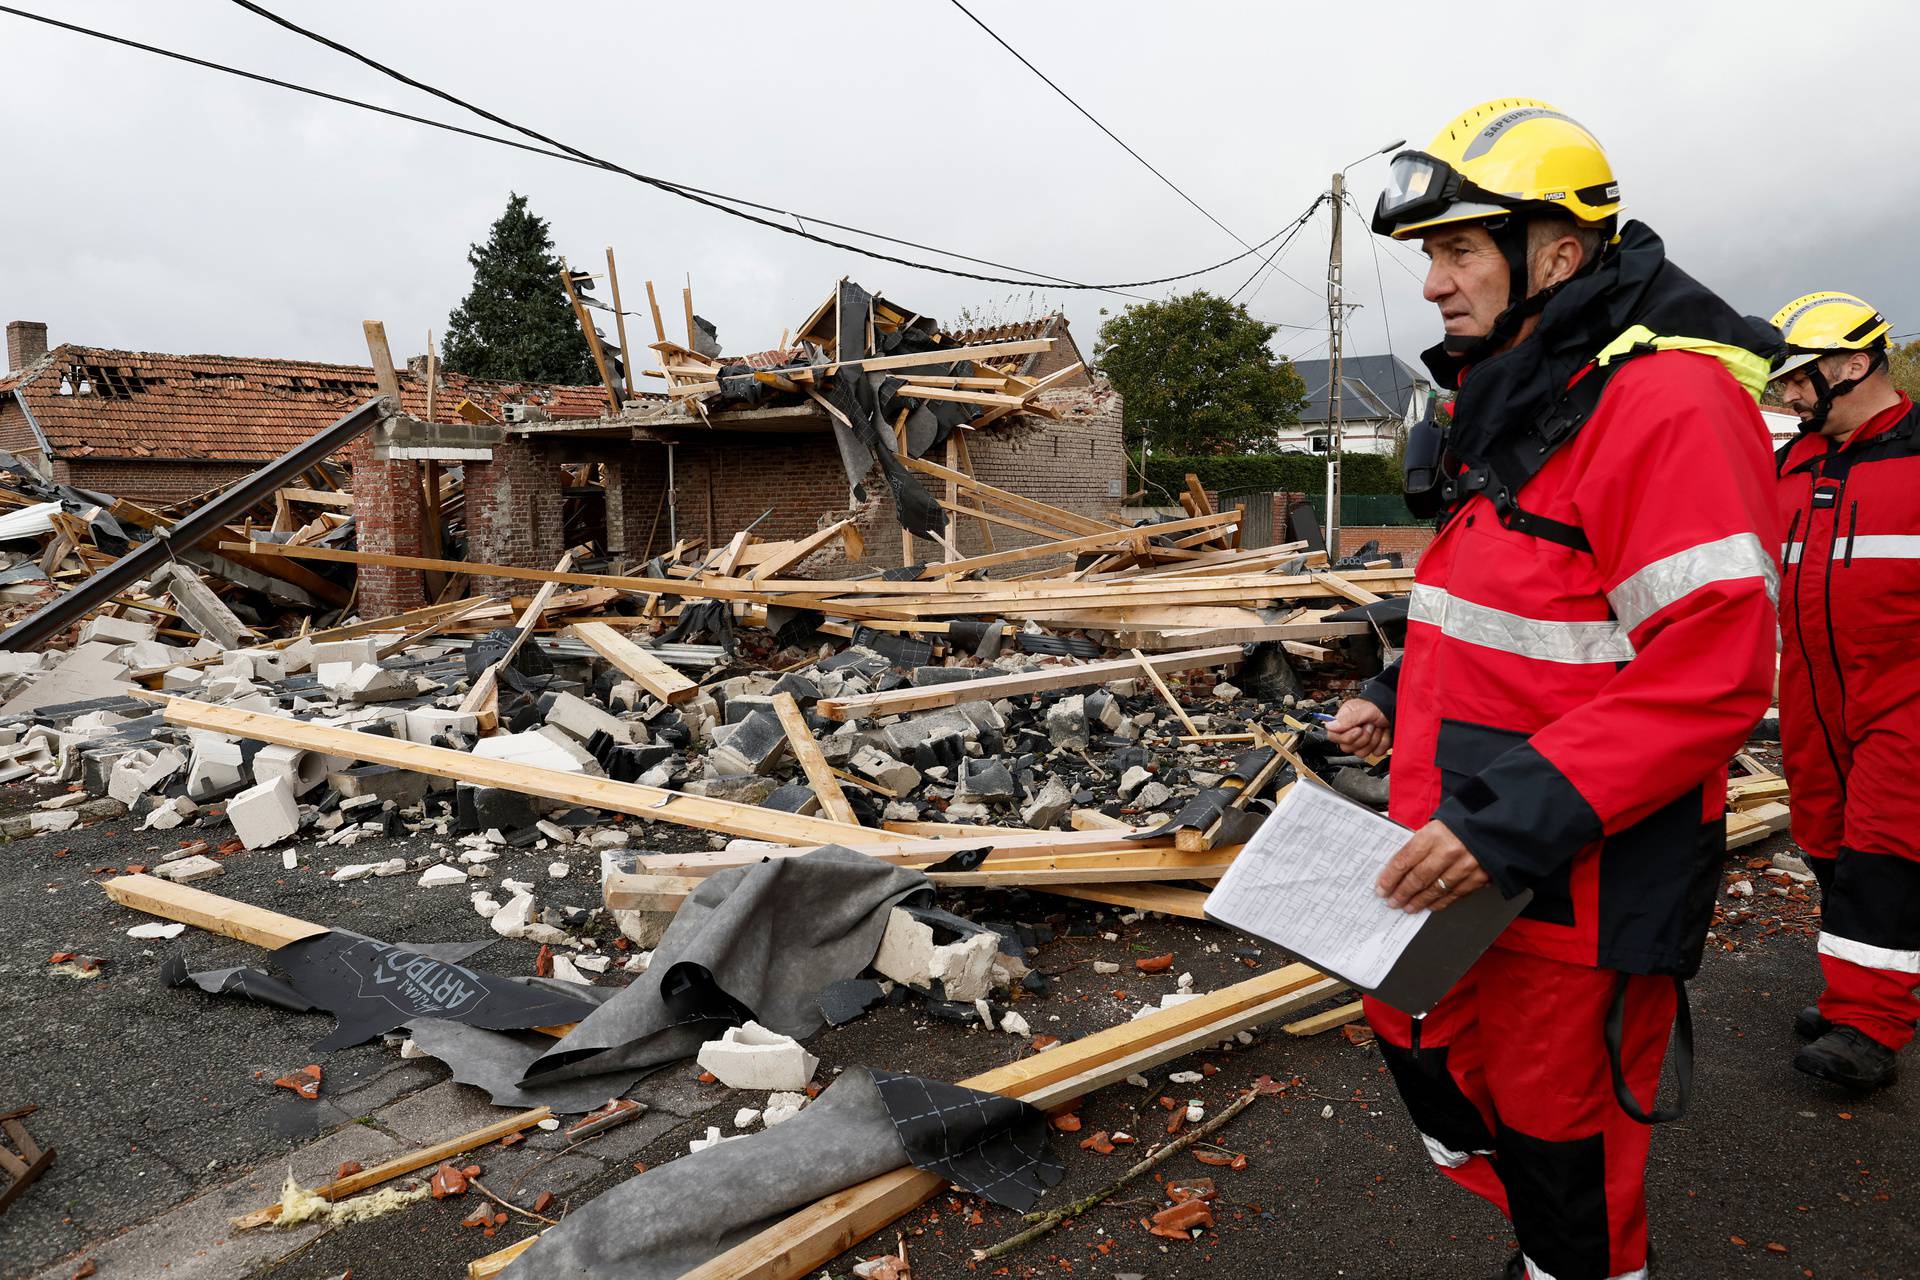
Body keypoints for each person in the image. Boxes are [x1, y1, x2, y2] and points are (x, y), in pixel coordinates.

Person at [1327, 98, 1780, 1280]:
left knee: (1565, 1147)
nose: (1432, 283)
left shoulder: (1664, 404)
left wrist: (1499, 823)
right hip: (1465, 842)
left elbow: (1713, 673)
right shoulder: (1527, 390)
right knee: (1421, 1042)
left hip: (1566, 874)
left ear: (1559, 253)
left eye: (1459, 248)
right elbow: (1513, 600)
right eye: (1430, 253)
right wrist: (1395, 677)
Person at [1768, 291, 1919, 1091]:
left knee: (1883, 850)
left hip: (1907, 696)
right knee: (1825, 838)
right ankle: (1865, 980)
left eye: (1797, 378)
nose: (1787, 396)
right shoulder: (1793, 463)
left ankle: (1868, 1022)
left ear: (1853, 364)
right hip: (1815, 693)